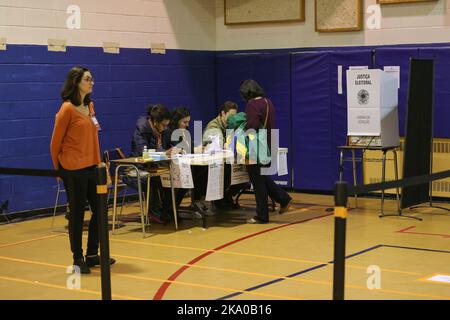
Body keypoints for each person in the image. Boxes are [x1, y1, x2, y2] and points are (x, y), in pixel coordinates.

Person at [50, 66, 116, 274]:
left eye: (92, 79)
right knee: (77, 213)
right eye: (88, 79)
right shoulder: (66, 109)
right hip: (72, 168)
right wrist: (59, 171)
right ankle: (77, 257)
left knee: (100, 210)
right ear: (76, 82)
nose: (92, 82)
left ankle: (92, 254)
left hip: (92, 167)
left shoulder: (90, 105)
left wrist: (100, 165)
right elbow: (55, 143)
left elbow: (94, 139)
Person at [239, 79, 293, 224]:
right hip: (269, 145)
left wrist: (243, 128)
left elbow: (253, 125)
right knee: (262, 178)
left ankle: (262, 215)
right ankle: (284, 199)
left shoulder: (252, 105)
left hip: (256, 148)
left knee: (258, 183)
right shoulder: (268, 102)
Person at [127, 104, 172, 224]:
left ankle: (168, 209)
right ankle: (154, 211)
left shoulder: (162, 131)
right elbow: (144, 154)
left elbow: (166, 147)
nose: (165, 128)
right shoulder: (141, 131)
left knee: (171, 177)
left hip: (153, 167)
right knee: (156, 180)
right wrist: (164, 154)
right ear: (155, 122)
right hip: (135, 169)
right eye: (164, 125)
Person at [163, 106, 208, 219]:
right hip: (171, 166)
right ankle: (171, 208)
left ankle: (196, 200)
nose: (187, 125)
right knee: (189, 177)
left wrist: (197, 148)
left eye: (188, 122)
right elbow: (176, 148)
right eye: (184, 122)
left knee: (203, 170)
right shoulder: (168, 132)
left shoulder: (185, 131)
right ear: (176, 121)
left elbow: (188, 147)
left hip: (184, 165)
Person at [203, 101, 244, 210]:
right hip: (212, 164)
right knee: (227, 171)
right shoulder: (213, 126)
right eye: (231, 116)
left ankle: (226, 197)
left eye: (235, 116)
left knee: (245, 172)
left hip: (227, 161)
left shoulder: (231, 126)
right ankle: (220, 199)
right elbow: (218, 146)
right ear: (223, 113)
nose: (233, 119)